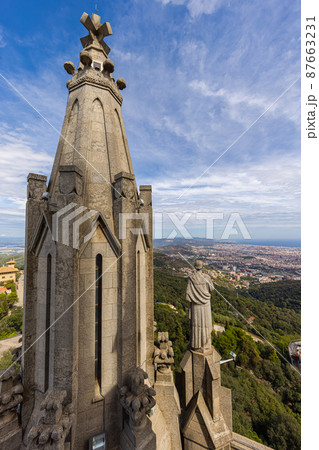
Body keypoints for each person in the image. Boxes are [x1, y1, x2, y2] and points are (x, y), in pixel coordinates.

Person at [186, 260, 214, 351]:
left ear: (194, 266)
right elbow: (212, 289)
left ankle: (196, 344)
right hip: (205, 305)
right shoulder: (207, 277)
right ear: (202, 266)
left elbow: (187, 296)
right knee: (206, 324)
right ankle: (205, 345)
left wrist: (195, 296)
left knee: (196, 325)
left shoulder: (191, 278)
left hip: (195, 306)